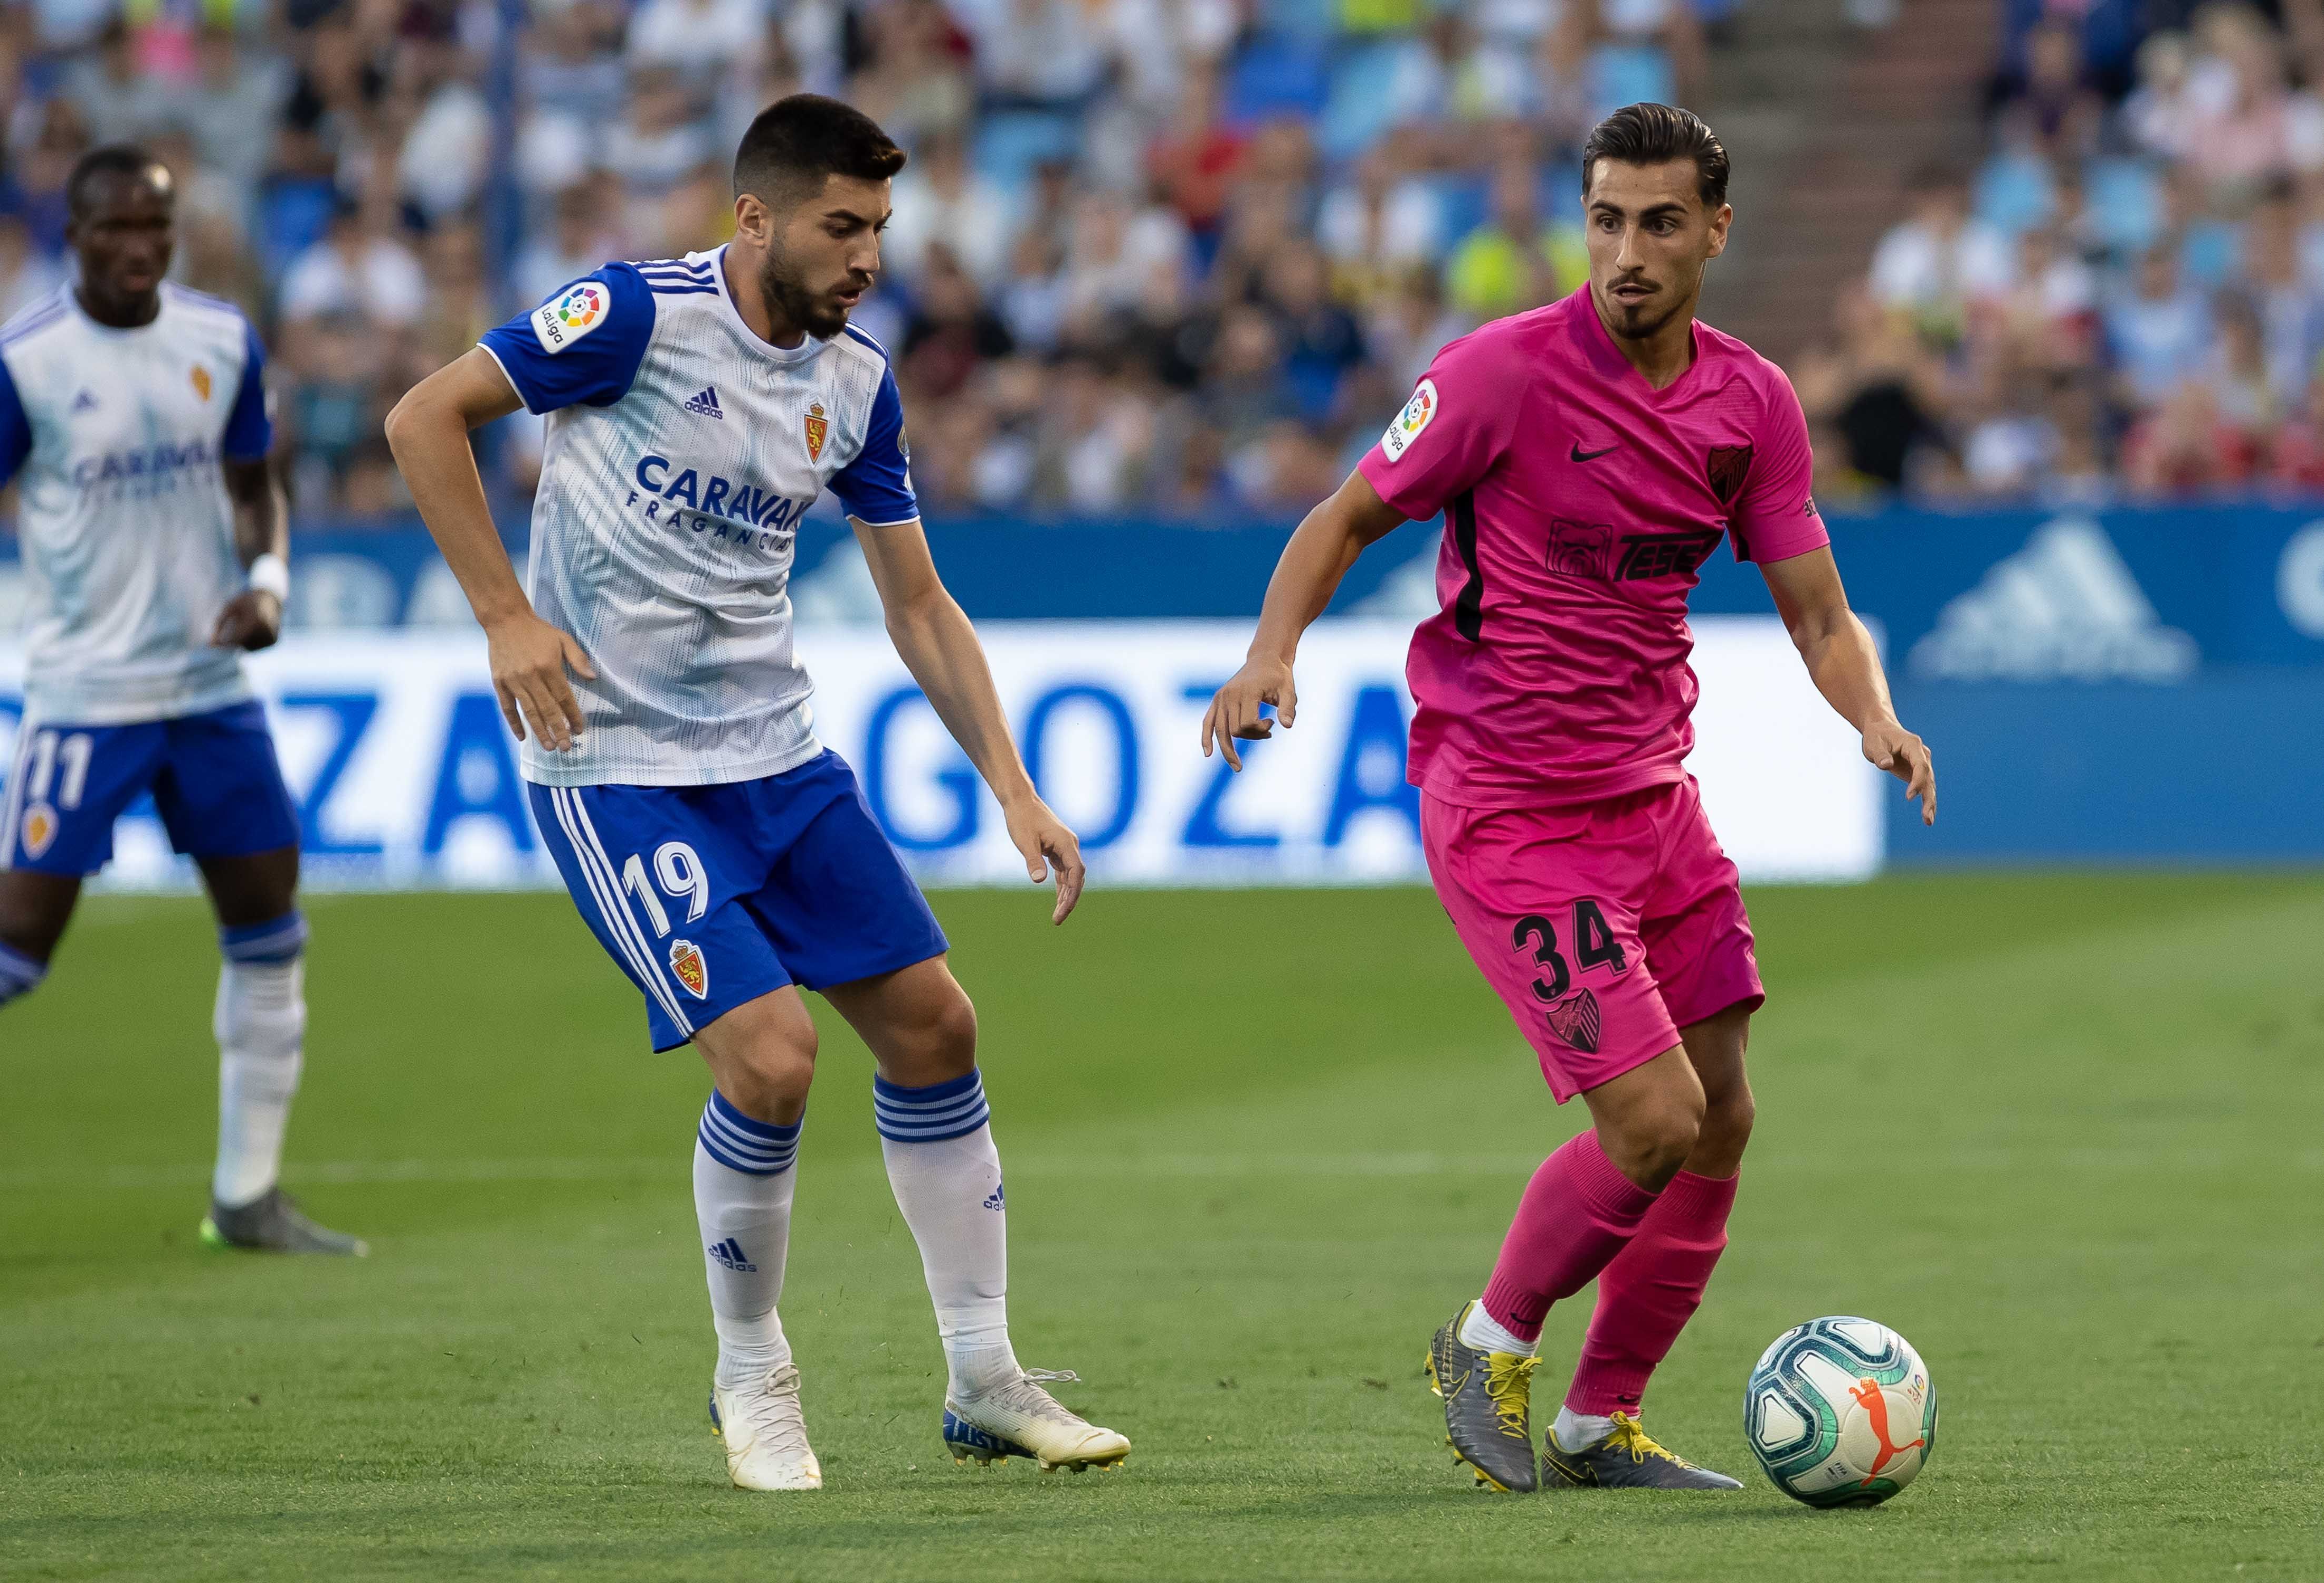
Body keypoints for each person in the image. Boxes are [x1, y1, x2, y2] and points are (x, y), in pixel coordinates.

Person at [384, 93, 1130, 1493]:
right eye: (841, 228)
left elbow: (916, 604)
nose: (864, 257)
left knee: (934, 1028)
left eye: (879, 232)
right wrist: (501, 615)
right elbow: (425, 418)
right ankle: (752, 1377)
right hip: (618, 771)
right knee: (773, 1059)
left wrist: (1013, 789)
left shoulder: (856, 382)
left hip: (777, 761)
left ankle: (983, 1378)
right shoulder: (629, 317)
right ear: (756, 218)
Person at [1199, 102, 1937, 1493]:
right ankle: (1486, 1343)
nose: (1625, 254)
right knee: (1651, 1122)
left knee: (1722, 1114)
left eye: (1659, 223)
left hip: (1654, 799)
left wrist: (1874, 718)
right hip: (1508, 808)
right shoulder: (1499, 376)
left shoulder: (1751, 404)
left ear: (1715, 230)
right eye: (1603, 220)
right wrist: (1268, 654)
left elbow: (1818, 613)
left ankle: (1601, 1421)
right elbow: (1344, 517)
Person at [0, 146, 356, 1256]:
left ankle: (247, 1198)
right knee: (7, 958)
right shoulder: (21, 365)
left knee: (271, 934)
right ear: (72, 235)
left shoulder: (219, 340)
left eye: (156, 232)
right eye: (115, 230)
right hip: (86, 694)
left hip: (211, 692)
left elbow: (252, 486)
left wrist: (266, 584)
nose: (138, 250)